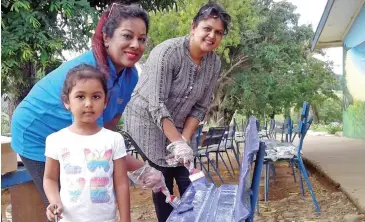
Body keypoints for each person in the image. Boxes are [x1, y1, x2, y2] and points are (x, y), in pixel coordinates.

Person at [10, 3, 163, 208]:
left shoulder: (130, 75)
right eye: (127, 36)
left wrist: (109, 154)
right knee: (68, 202)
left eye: (142, 39)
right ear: (107, 38)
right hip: (35, 133)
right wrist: (141, 168)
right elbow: (92, 136)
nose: (136, 44)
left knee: (92, 194)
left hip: (73, 129)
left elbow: (110, 122)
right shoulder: (91, 72)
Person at [124, 2, 231, 221]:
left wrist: (184, 140)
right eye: (207, 29)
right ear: (194, 27)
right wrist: (177, 142)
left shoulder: (214, 64)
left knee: (189, 175)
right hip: (146, 122)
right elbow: (156, 104)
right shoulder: (167, 53)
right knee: (163, 176)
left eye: (218, 32)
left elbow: (200, 106)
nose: (212, 36)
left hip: (180, 124)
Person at [44, 64, 130, 222]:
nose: (89, 103)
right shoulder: (55, 140)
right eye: (80, 96)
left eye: (96, 96)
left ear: (105, 101)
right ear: (66, 101)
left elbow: (121, 183)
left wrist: (125, 219)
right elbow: (49, 178)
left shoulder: (114, 140)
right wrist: (54, 201)